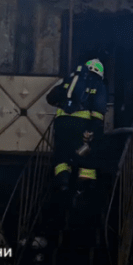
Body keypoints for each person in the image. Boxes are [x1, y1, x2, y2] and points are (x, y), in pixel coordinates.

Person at [46, 58, 108, 191]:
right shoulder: (98, 84)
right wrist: (93, 131)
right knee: (87, 156)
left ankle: (62, 186)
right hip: (81, 125)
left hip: (61, 124)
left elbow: (50, 98)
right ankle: (84, 191)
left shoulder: (70, 80)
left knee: (62, 155)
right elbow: (98, 111)